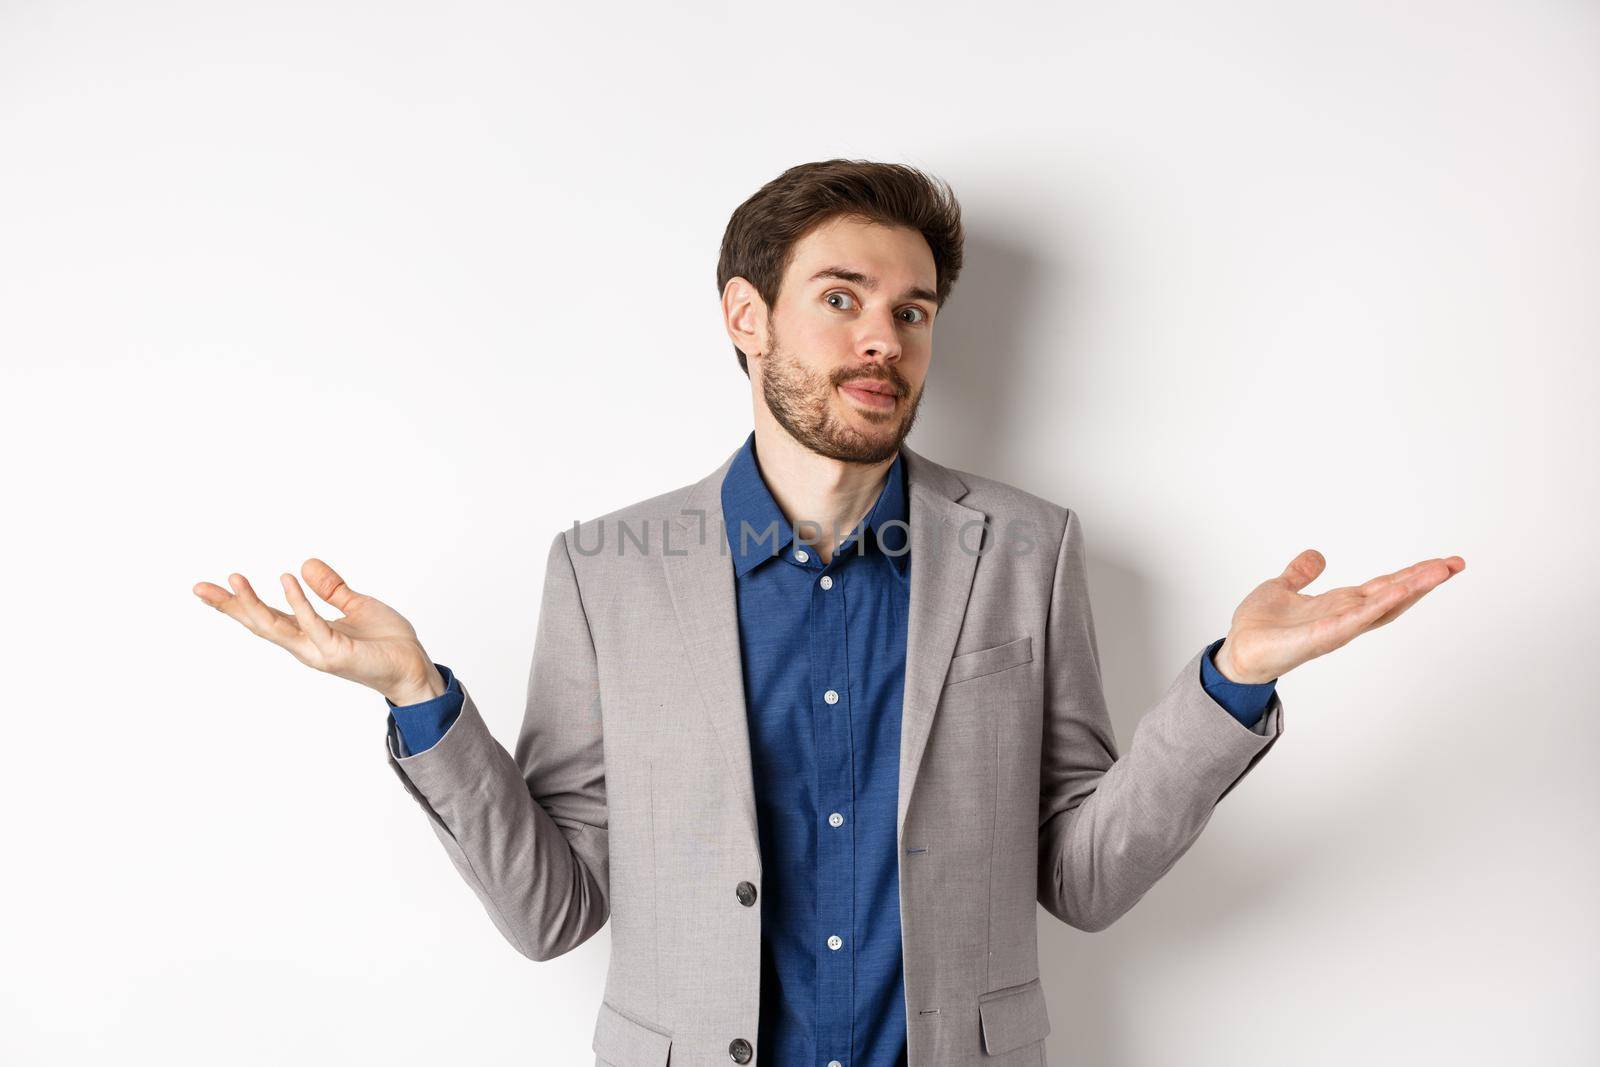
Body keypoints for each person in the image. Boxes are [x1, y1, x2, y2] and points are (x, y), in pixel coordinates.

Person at [194, 159, 1464, 1067]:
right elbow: (551, 912)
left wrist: (1229, 683)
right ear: (747, 320)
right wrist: (421, 699)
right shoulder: (605, 567)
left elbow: (1077, 877)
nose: (884, 341)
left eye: (913, 311)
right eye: (842, 298)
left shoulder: (1026, 547)